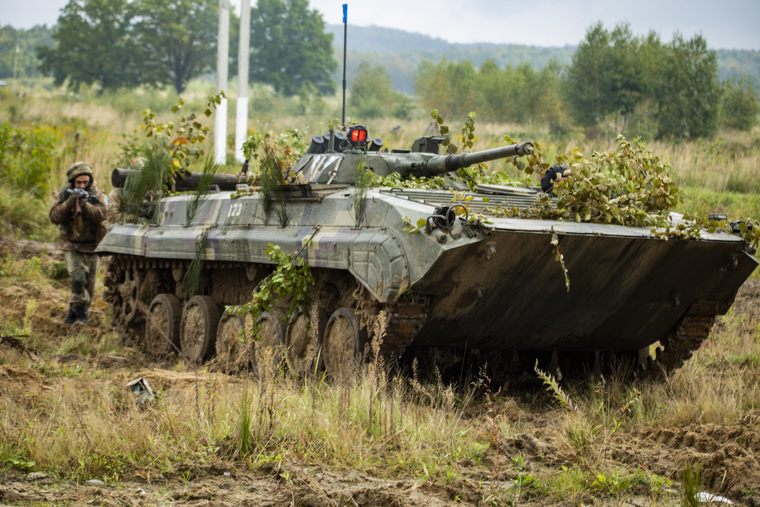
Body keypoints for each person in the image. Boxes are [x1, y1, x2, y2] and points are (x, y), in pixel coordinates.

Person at [49, 162, 107, 325]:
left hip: (93, 246)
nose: (82, 185)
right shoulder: (63, 195)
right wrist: (70, 202)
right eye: (78, 182)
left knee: (88, 288)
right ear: (72, 182)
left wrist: (85, 205)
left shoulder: (98, 194)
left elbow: (102, 214)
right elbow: (55, 217)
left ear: (90, 181)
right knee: (77, 278)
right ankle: (82, 316)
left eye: (85, 182)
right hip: (72, 245)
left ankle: (73, 314)